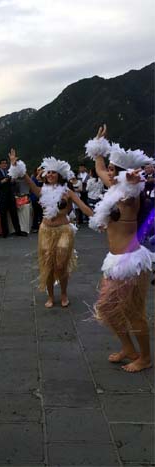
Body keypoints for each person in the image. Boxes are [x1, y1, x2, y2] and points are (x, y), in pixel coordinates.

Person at [85, 124, 154, 372]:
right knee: (108, 309)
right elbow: (100, 167)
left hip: (130, 262)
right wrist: (98, 145)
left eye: (116, 170)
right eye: (112, 170)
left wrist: (132, 179)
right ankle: (128, 348)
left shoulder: (130, 194)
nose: (110, 173)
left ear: (125, 173)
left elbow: (133, 184)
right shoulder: (113, 188)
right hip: (114, 260)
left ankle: (145, 358)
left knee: (134, 313)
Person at [8, 149, 93, 308]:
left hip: (63, 230)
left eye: (53, 172)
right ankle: (50, 296)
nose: (50, 175)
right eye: (48, 172)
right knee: (47, 263)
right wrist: (15, 164)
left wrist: (99, 217)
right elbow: (27, 179)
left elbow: (82, 206)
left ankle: (64, 293)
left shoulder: (67, 192)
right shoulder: (41, 191)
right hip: (46, 230)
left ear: (59, 175)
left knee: (61, 264)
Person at [0, 157, 27, 237]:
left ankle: (18, 231)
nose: (4, 164)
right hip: (2, 196)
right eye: (2, 163)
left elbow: (14, 184)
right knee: (3, 215)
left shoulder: (9, 172)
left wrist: (13, 181)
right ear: (0, 165)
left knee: (14, 214)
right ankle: (5, 233)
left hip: (10, 196)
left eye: (5, 163)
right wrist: (1, 182)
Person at [30, 167, 44, 232]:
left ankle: (42, 226)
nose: (39, 171)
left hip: (43, 198)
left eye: (40, 170)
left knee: (42, 213)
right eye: (38, 170)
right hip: (35, 198)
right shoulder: (33, 178)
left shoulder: (45, 178)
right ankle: (35, 226)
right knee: (36, 212)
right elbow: (34, 188)